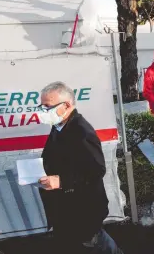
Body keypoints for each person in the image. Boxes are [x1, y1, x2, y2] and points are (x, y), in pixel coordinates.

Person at [37, 82, 123, 254]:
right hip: (68, 208)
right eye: (41, 106)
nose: (42, 111)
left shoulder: (81, 131)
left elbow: (97, 170)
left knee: (94, 243)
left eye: (47, 107)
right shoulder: (59, 126)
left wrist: (61, 180)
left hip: (84, 210)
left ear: (66, 105)